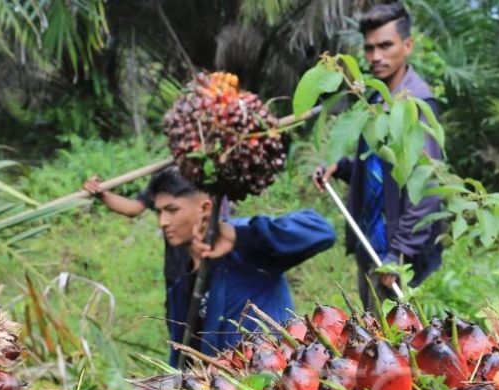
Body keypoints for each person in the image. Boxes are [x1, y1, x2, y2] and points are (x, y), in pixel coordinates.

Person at [83, 167, 336, 365]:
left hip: (273, 384)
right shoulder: (181, 279)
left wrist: (239, 237)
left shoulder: (244, 242)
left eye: (172, 210)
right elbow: (183, 348)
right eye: (159, 212)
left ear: (205, 208)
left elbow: (321, 230)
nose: (162, 222)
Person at [312, 1, 443, 312]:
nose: (376, 57)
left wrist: (399, 255)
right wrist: (341, 167)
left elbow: (427, 187)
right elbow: (376, 164)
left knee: (396, 347)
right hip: (370, 244)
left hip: (393, 258)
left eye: (386, 46)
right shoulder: (374, 98)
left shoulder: (416, 104)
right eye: (370, 48)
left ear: (407, 45)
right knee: (373, 339)